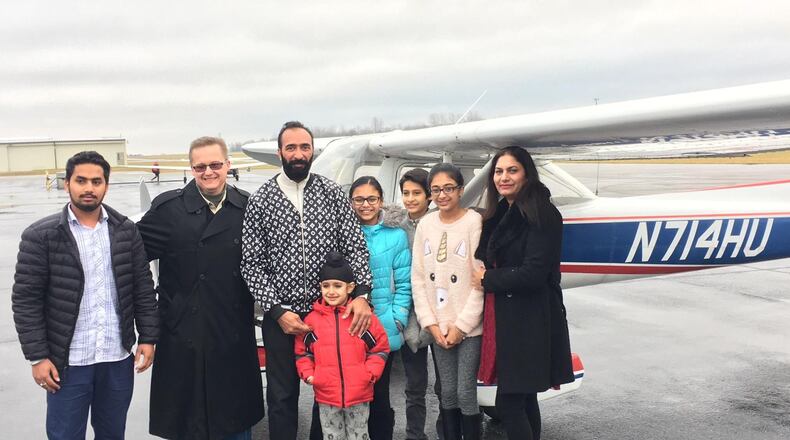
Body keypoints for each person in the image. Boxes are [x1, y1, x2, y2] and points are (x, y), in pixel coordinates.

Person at [12, 151, 159, 439]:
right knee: (65, 434)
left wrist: (149, 337)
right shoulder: (41, 235)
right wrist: (37, 356)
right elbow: (26, 300)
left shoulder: (126, 231)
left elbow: (142, 285)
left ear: (106, 184)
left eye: (96, 181)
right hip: (68, 362)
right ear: (67, 184)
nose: (89, 188)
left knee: (112, 432)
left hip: (115, 358)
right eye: (81, 181)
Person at [241, 121, 374, 440]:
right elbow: (251, 262)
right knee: (282, 395)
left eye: (304, 147)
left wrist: (362, 294)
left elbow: (355, 246)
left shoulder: (331, 194)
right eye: (291, 148)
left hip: (327, 314)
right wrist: (276, 310)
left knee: (328, 393)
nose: (298, 154)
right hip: (281, 316)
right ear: (279, 153)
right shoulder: (262, 200)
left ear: (313, 150)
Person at [137, 136, 264, 439]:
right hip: (183, 334)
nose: (209, 172)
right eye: (201, 166)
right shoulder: (168, 209)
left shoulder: (246, 208)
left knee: (234, 422)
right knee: (188, 423)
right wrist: (152, 316)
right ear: (192, 168)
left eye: (216, 164)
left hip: (231, 333)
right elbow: (130, 255)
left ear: (228, 165)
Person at [472, 146, 575, 440]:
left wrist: (487, 278)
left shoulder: (542, 213)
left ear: (527, 173)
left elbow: (534, 273)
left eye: (512, 170)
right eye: (499, 171)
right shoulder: (503, 211)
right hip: (510, 319)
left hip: (531, 320)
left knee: (509, 402)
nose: (503, 177)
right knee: (524, 397)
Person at [411, 163, 484, 440]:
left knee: (466, 392)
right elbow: (418, 277)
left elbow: (478, 280)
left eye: (449, 188)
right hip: (438, 328)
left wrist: (462, 326)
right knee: (447, 392)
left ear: (461, 190)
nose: (442, 195)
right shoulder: (426, 224)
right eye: (436, 190)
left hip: (467, 327)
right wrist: (430, 323)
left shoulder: (473, 223)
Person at [296, 251, 391, 440]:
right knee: (332, 436)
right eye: (326, 286)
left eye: (337, 286)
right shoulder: (313, 321)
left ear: (350, 288)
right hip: (327, 395)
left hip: (359, 394)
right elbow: (303, 352)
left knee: (359, 435)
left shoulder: (363, 318)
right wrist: (310, 376)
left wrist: (369, 373)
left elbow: (379, 348)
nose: (331, 291)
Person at [349, 176, 411, 440]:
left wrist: (397, 317)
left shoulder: (396, 236)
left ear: (381, 201)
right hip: (350, 325)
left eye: (371, 199)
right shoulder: (345, 233)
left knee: (379, 393)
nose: (365, 205)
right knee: (352, 393)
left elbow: (404, 281)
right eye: (359, 199)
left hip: (383, 324)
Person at [397, 169, 443, 440]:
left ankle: (447, 431)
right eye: (406, 193)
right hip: (408, 311)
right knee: (414, 385)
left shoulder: (440, 223)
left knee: (444, 385)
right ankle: (415, 435)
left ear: (429, 196)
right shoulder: (396, 226)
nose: (411, 199)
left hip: (439, 312)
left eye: (417, 193)